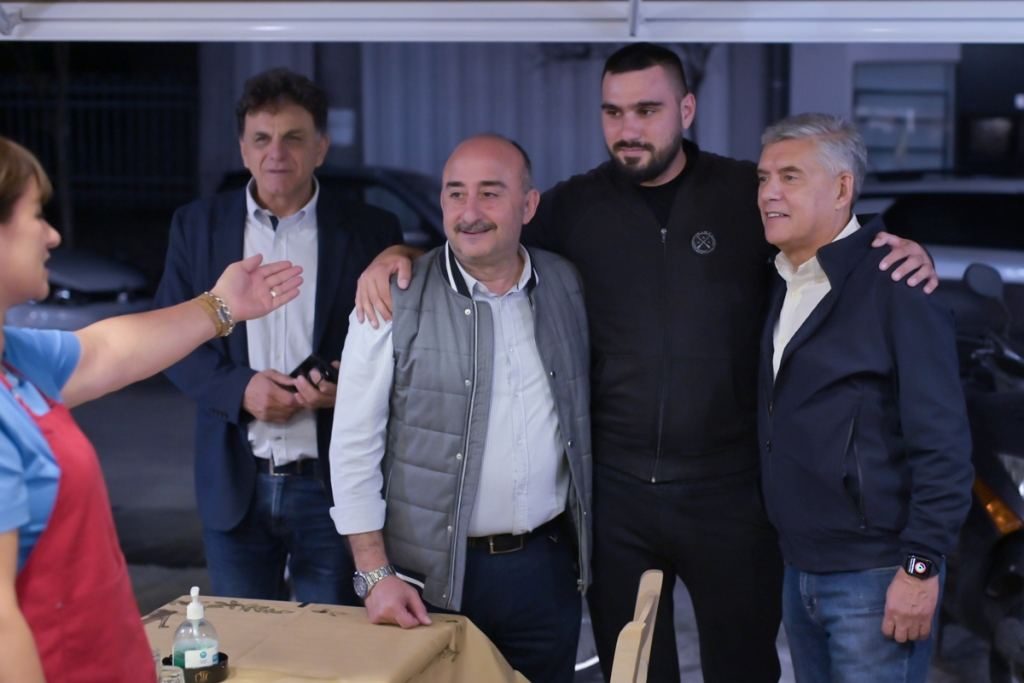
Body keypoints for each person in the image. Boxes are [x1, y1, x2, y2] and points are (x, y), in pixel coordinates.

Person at [353, 43, 938, 682]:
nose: (628, 129)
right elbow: (478, 242)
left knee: (743, 670)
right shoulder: (572, 207)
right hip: (618, 500)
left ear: (686, 109)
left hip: (731, 495)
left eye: (647, 110)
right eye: (613, 112)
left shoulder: (744, 194)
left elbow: (826, 229)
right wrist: (397, 256)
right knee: (633, 672)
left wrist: (899, 249)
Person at [0, 136, 302, 683]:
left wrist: (222, 306)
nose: (53, 235)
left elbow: (108, 351)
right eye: (36, 215)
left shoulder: (16, 358)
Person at [328, 134, 591, 683]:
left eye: (490, 193)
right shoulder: (393, 296)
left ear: (529, 205)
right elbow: (353, 444)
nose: (469, 212)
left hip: (544, 573)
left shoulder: (565, 285)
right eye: (455, 193)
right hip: (428, 582)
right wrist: (374, 575)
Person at [155, 68, 402, 604]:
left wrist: (348, 387)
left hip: (333, 486)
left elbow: (397, 346)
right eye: (262, 138)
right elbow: (170, 341)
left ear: (321, 147)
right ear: (243, 149)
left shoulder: (372, 231)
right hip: (235, 482)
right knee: (245, 639)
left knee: (331, 642)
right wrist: (239, 389)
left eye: (293, 137)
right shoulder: (197, 226)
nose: (276, 153)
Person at [755, 113, 972, 682]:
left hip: (876, 576)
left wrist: (921, 567)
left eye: (790, 177)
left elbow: (943, 442)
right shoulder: (781, 280)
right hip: (799, 569)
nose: (769, 192)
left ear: (842, 189)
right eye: (764, 178)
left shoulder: (898, 285)